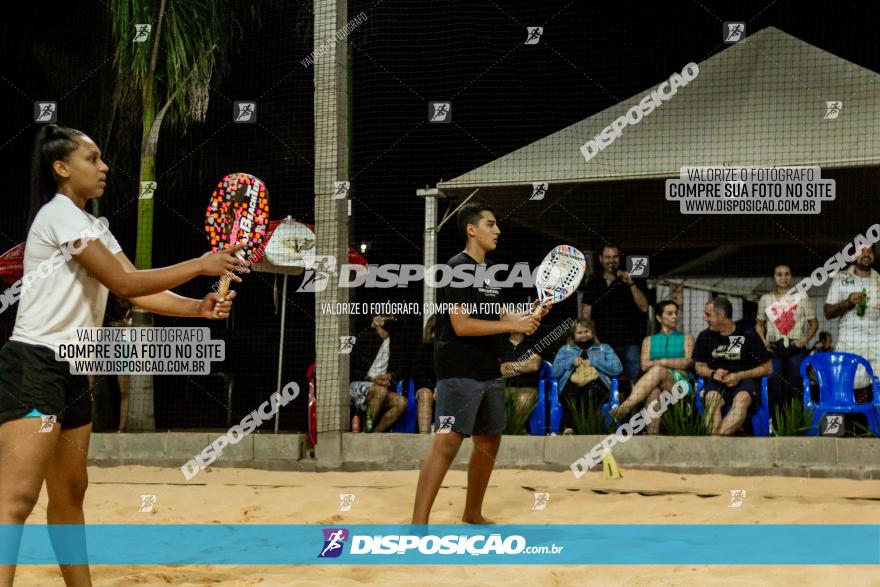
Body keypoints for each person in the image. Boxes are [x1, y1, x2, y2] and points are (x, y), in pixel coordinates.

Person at [0, 124, 246, 586]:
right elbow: (125, 284)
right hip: (35, 365)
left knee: (71, 493)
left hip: (77, 369)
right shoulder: (59, 214)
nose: (104, 167)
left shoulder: (91, 225)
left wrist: (199, 306)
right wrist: (202, 263)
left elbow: (137, 289)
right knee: (16, 499)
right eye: (92, 159)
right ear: (61, 168)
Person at [411, 199, 545, 525]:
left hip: (488, 367)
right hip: (459, 368)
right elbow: (462, 324)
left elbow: (497, 315)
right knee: (447, 443)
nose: (497, 230)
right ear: (472, 229)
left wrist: (529, 315)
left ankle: (472, 513)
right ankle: (417, 525)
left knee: (489, 440)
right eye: (490, 224)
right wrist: (513, 325)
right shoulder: (457, 267)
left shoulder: (487, 273)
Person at [693, 297, 772, 435]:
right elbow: (699, 367)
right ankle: (717, 444)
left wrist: (739, 375)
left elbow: (767, 368)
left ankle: (714, 443)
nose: (705, 318)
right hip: (716, 383)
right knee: (712, 400)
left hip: (745, 382)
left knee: (741, 400)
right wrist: (713, 373)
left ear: (721, 316)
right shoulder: (704, 336)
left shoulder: (749, 334)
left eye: (708, 315)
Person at [613, 300, 694, 434]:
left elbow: (687, 363)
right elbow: (644, 365)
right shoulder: (649, 340)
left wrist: (661, 361)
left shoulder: (687, 338)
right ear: (659, 318)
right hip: (655, 385)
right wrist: (673, 363)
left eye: (676, 313)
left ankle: (626, 406)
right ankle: (653, 439)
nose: (674, 316)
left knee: (657, 370)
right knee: (654, 392)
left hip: (680, 386)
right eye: (670, 313)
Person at [579, 243, 649, 385]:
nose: (611, 260)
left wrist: (631, 284)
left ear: (619, 258)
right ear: (600, 259)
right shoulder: (594, 281)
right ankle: (612, 407)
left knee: (634, 383)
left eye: (615, 257)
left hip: (631, 343)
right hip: (603, 343)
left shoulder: (633, 278)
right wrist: (593, 339)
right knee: (605, 383)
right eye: (607, 257)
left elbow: (644, 307)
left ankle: (632, 408)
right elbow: (586, 315)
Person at [757, 264, 818, 411]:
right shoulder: (766, 299)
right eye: (779, 274)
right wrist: (763, 341)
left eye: (787, 274)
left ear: (791, 276)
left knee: (796, 387)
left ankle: (795, 426)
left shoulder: (801, 297)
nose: (783, 277)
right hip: (774, 348)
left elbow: (814, 323)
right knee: (775, 387)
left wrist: (804, 339)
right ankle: (777, 426)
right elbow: (759, 324)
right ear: (773, 277)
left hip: (795, 347)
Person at [824, 244, 880, 402]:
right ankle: (849, 425)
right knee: (847, 392)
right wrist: (848, 302)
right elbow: (827, 313)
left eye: (869, 251)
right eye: (862, 251)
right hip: (850, 343)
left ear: (874, 257)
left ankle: (871, 426)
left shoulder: (879, 280)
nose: (866, 254)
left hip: (877, 344)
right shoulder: (841, 278)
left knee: (876, 392)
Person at [551, 318, 622, 434]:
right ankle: (571, 428)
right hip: (570, 386)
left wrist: (594, 361)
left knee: (590, 391)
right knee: (572, 392)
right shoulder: (565, 350)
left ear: (592, 332)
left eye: (586, 331)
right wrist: (570, 362)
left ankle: (579, 428)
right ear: (573, 335)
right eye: (579, 333)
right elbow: (554, 372)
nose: (583, 335)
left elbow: (617, 368)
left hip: (598, 386)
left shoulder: (604, 348)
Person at [349, 315, 409, 432]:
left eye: (391, 319)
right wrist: (371, 379)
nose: (389, 321)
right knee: (380, 391)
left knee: (402, 402)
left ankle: (376, 432)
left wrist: (389, 376)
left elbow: (402, 368)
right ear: (376, 321)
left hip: (381, 387)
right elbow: (351, 369)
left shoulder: (396, 341)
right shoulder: (364, 338)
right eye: (386, 318)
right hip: (357, 385)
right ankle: (365, 433)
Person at [498, 331, 541, 431]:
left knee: (523, 399)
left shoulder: (533, 343)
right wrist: (525, 366)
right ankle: (497, 431)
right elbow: (500, 370)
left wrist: (509, 366)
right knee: (491, 397)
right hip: (505, 387)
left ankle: (515, 429)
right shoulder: (501, 344)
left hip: (527, 387)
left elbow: (534, 366)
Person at [410, 315, 437, 433]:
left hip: (445, 387)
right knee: (426, 394)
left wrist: (442, 386)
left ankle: (445, 437)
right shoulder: (422, 347)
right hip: (425, 387)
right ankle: (423, 437)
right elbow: (418, 373)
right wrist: (433, 388)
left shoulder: (452, 349)